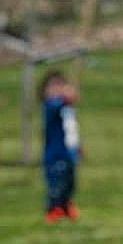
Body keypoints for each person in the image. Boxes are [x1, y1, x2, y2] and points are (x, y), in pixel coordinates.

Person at [41, 69, 81, 222]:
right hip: (55, 154)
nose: (58, 90)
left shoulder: (67, 109)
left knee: (70, 182)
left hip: (69, 153)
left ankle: (65, 204)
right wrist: (65, 97)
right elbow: (57, 103)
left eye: (61, 85)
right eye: (53, 87)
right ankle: (54, 207)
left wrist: (78, 146)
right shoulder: (51, 106)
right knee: (56, 182)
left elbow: (71, 130)